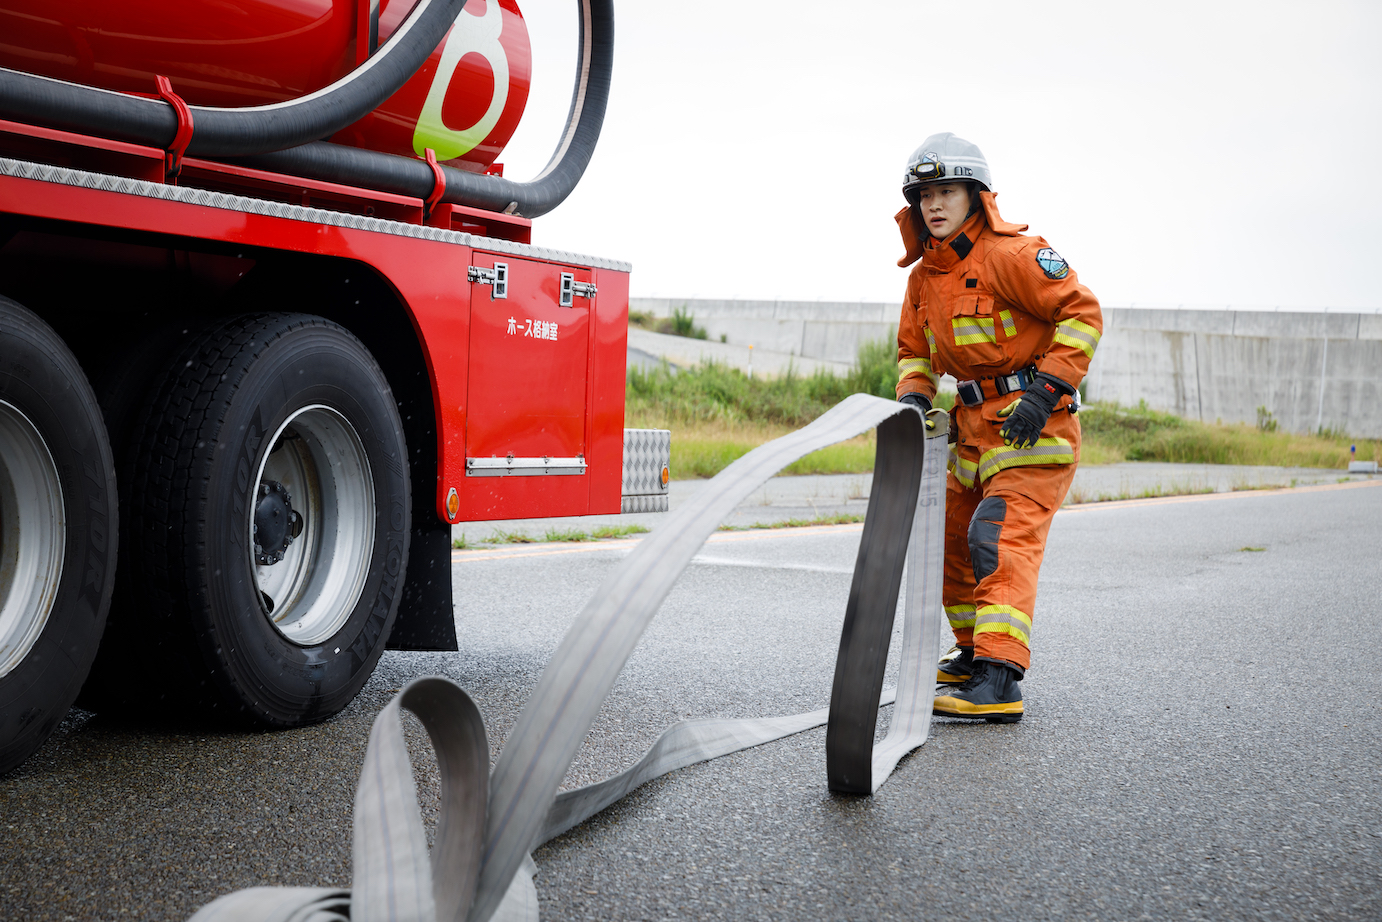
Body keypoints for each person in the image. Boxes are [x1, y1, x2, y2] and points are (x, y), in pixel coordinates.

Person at [893, 133, 1101, 723]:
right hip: (971, 431)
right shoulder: (923, 277)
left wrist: (1046, 391)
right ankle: (972, 653)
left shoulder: (1011, 256)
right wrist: (912, 401)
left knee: (998, 536)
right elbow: (914, 352)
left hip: (1034, 428)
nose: (934, 205)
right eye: (925, 195)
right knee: (953, 541)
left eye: (947, 192)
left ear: (976, 197)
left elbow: (1082, 314)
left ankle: (1000, 679)